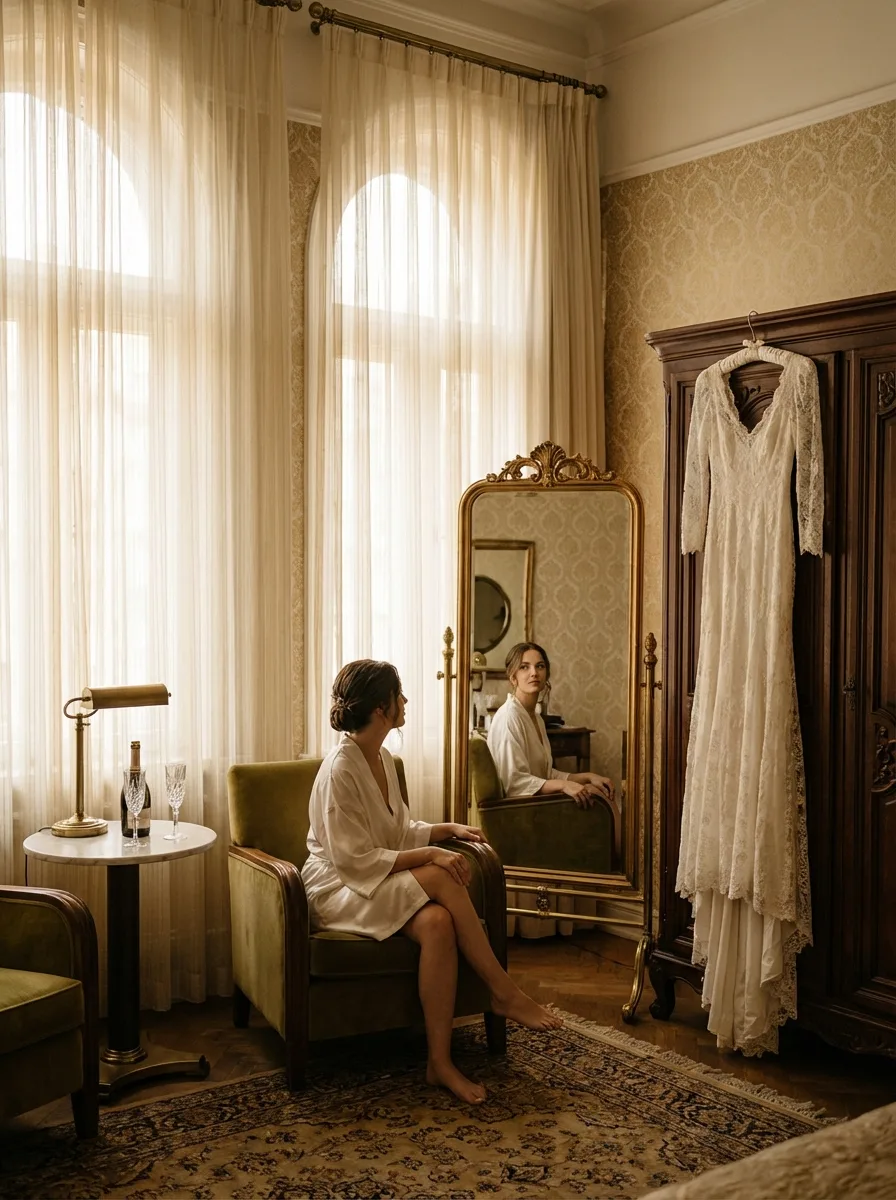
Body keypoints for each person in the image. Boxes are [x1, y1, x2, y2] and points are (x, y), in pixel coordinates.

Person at [301, 658, 563, 1106]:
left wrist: (445, 830)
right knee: (442, 875)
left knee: (439, 924)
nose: (405, 701)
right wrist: (432, 853)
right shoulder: (339, 770)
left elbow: (395, 831)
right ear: (381, 709)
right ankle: (504, 992)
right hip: (337, 889)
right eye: (398, 695)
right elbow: (355, 859)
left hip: (371, 878)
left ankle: (439, 1063)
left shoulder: (381, 757)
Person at [487, 642, 615, 805]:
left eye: (539, 666)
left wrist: (588, 777)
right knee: (596, 801)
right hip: (519, 810)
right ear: (513, 677)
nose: (534, 673)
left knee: (599, 794)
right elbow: (514, 784)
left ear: (546, 674)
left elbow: (546, 775)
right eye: (524, 667)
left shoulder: (535, 717)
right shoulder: (509, 717)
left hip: (535, 803)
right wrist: (564, 785)